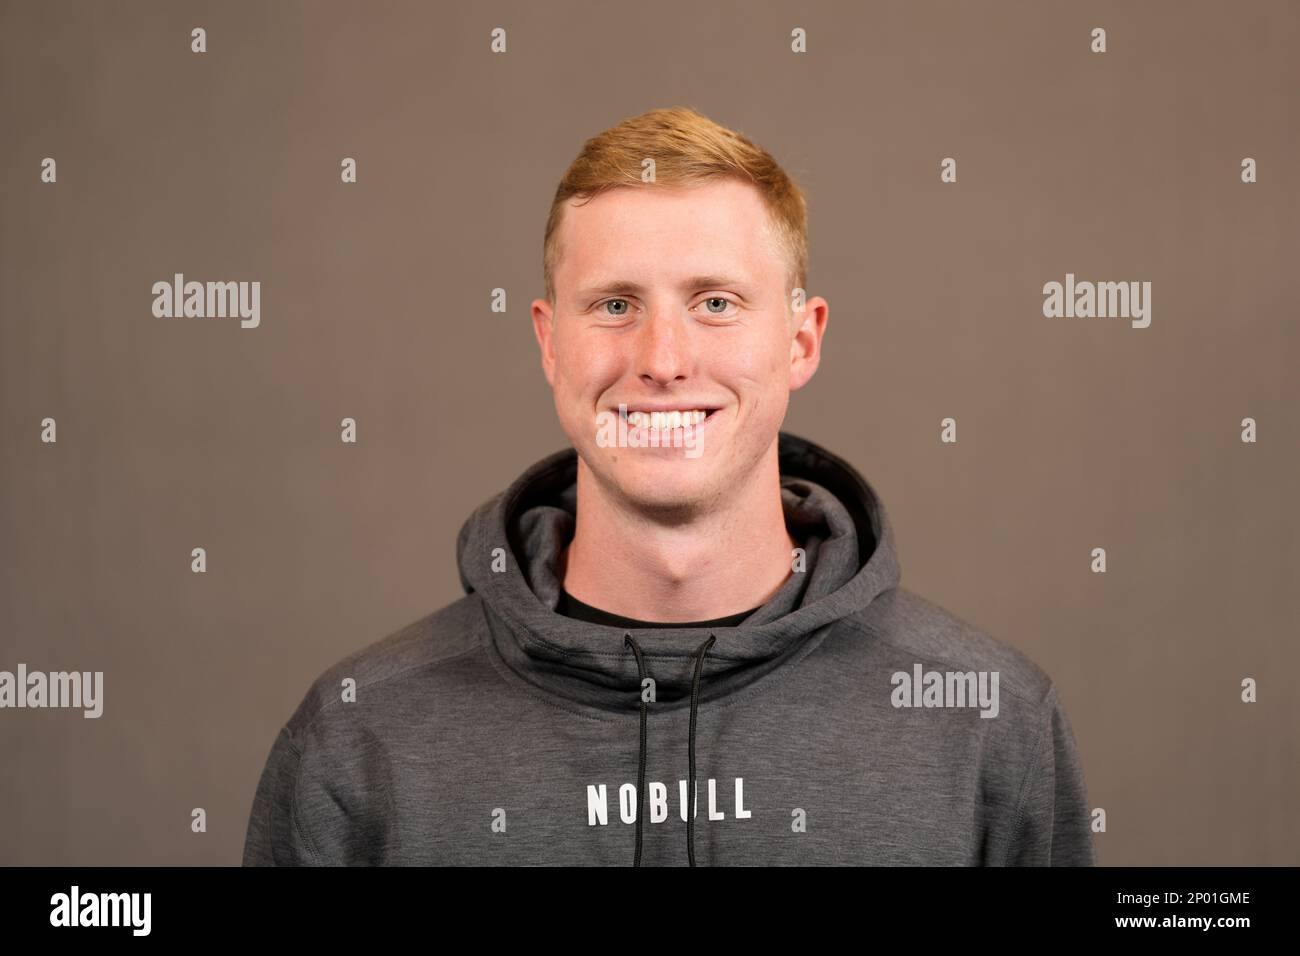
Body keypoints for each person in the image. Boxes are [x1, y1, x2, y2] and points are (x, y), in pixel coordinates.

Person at [242, 106, 1095, 866]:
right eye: (614, 306)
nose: (661, 360)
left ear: (801, 340)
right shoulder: (363, 736)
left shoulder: (988, 722)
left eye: (716, 303)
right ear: (549, 343)